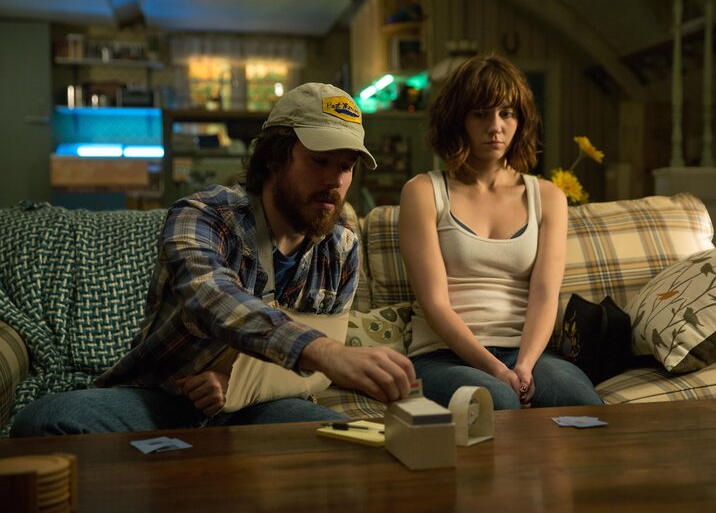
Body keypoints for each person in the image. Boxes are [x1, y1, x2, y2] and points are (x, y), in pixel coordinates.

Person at [12, 83, 416, 436]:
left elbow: (313, 379)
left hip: (261, 406)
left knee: (336, 443)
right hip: (163, 400)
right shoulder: (203, 215)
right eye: (319, 161)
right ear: (275, 158)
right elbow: (211, 298)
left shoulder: (341, 246)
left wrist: (234, 386)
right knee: (46, 420)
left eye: (346, 166)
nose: (335, 180)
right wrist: (326, 352)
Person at [398, 56, 602, 410]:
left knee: (579, 401)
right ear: (458, 119)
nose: (495, 126)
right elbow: (434, 304)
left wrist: (524, 366)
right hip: (442, 356)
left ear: (520, 120)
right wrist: (495, 369)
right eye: (480, 114)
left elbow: (544, 295)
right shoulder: (423, 192)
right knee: (498, 400)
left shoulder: (548, 197)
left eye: (506, 113)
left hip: (526, 353)